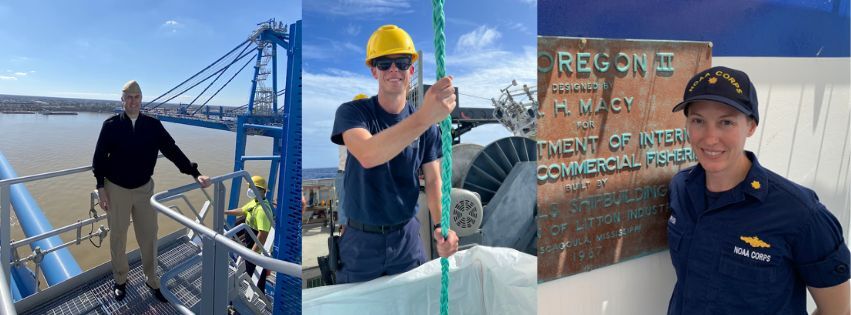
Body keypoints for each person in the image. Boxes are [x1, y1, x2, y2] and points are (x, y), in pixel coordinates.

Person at [667, 66, 850, 314]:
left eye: (726, 122)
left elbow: (838, 309)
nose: (710, 138)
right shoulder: (681, 188)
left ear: (751, 126)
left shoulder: (800, 213)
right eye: (698, 121)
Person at [330, 24, 459, 284]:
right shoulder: (352, 113)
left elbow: (434, 181)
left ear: (410, 70)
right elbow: (367, 154)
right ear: (373, 69)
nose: (393, 70)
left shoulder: (427, 128)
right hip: (360, 243)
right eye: (384, 63)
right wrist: (425, 117)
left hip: (407, 240)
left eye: (401, 62)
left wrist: (439, 226)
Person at [93, 80, 212, 302]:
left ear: (141, 99)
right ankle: (120, 280)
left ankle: (152, 280)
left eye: (136, 97)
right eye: (128, 97)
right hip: (116, 188)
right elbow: (99, 159)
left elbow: (172, 150)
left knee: (149, 236)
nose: (132, 101)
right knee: (118, 236)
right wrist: (101, 187)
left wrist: (195, 174)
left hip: (144, 189)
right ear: (122, 100)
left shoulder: (153, 125)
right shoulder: (110, 126)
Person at [225, 175, 273, 293]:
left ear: (262, 190)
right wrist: (226, 211)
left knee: (253, 273)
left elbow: (263, 234)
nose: (250, 189)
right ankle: (254, 290)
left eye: (253, 187)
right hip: (250, 243)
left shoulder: (262, 209)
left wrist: (252, 253)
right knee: (253, 271)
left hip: (255, 248)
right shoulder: (255, 202)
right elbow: (242, 210)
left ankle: (255, 293)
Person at [335, 93, 370, 234]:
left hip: (349, 176)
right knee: (347, 221)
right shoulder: (351, 127)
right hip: (348, 176)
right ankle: (345, 251)